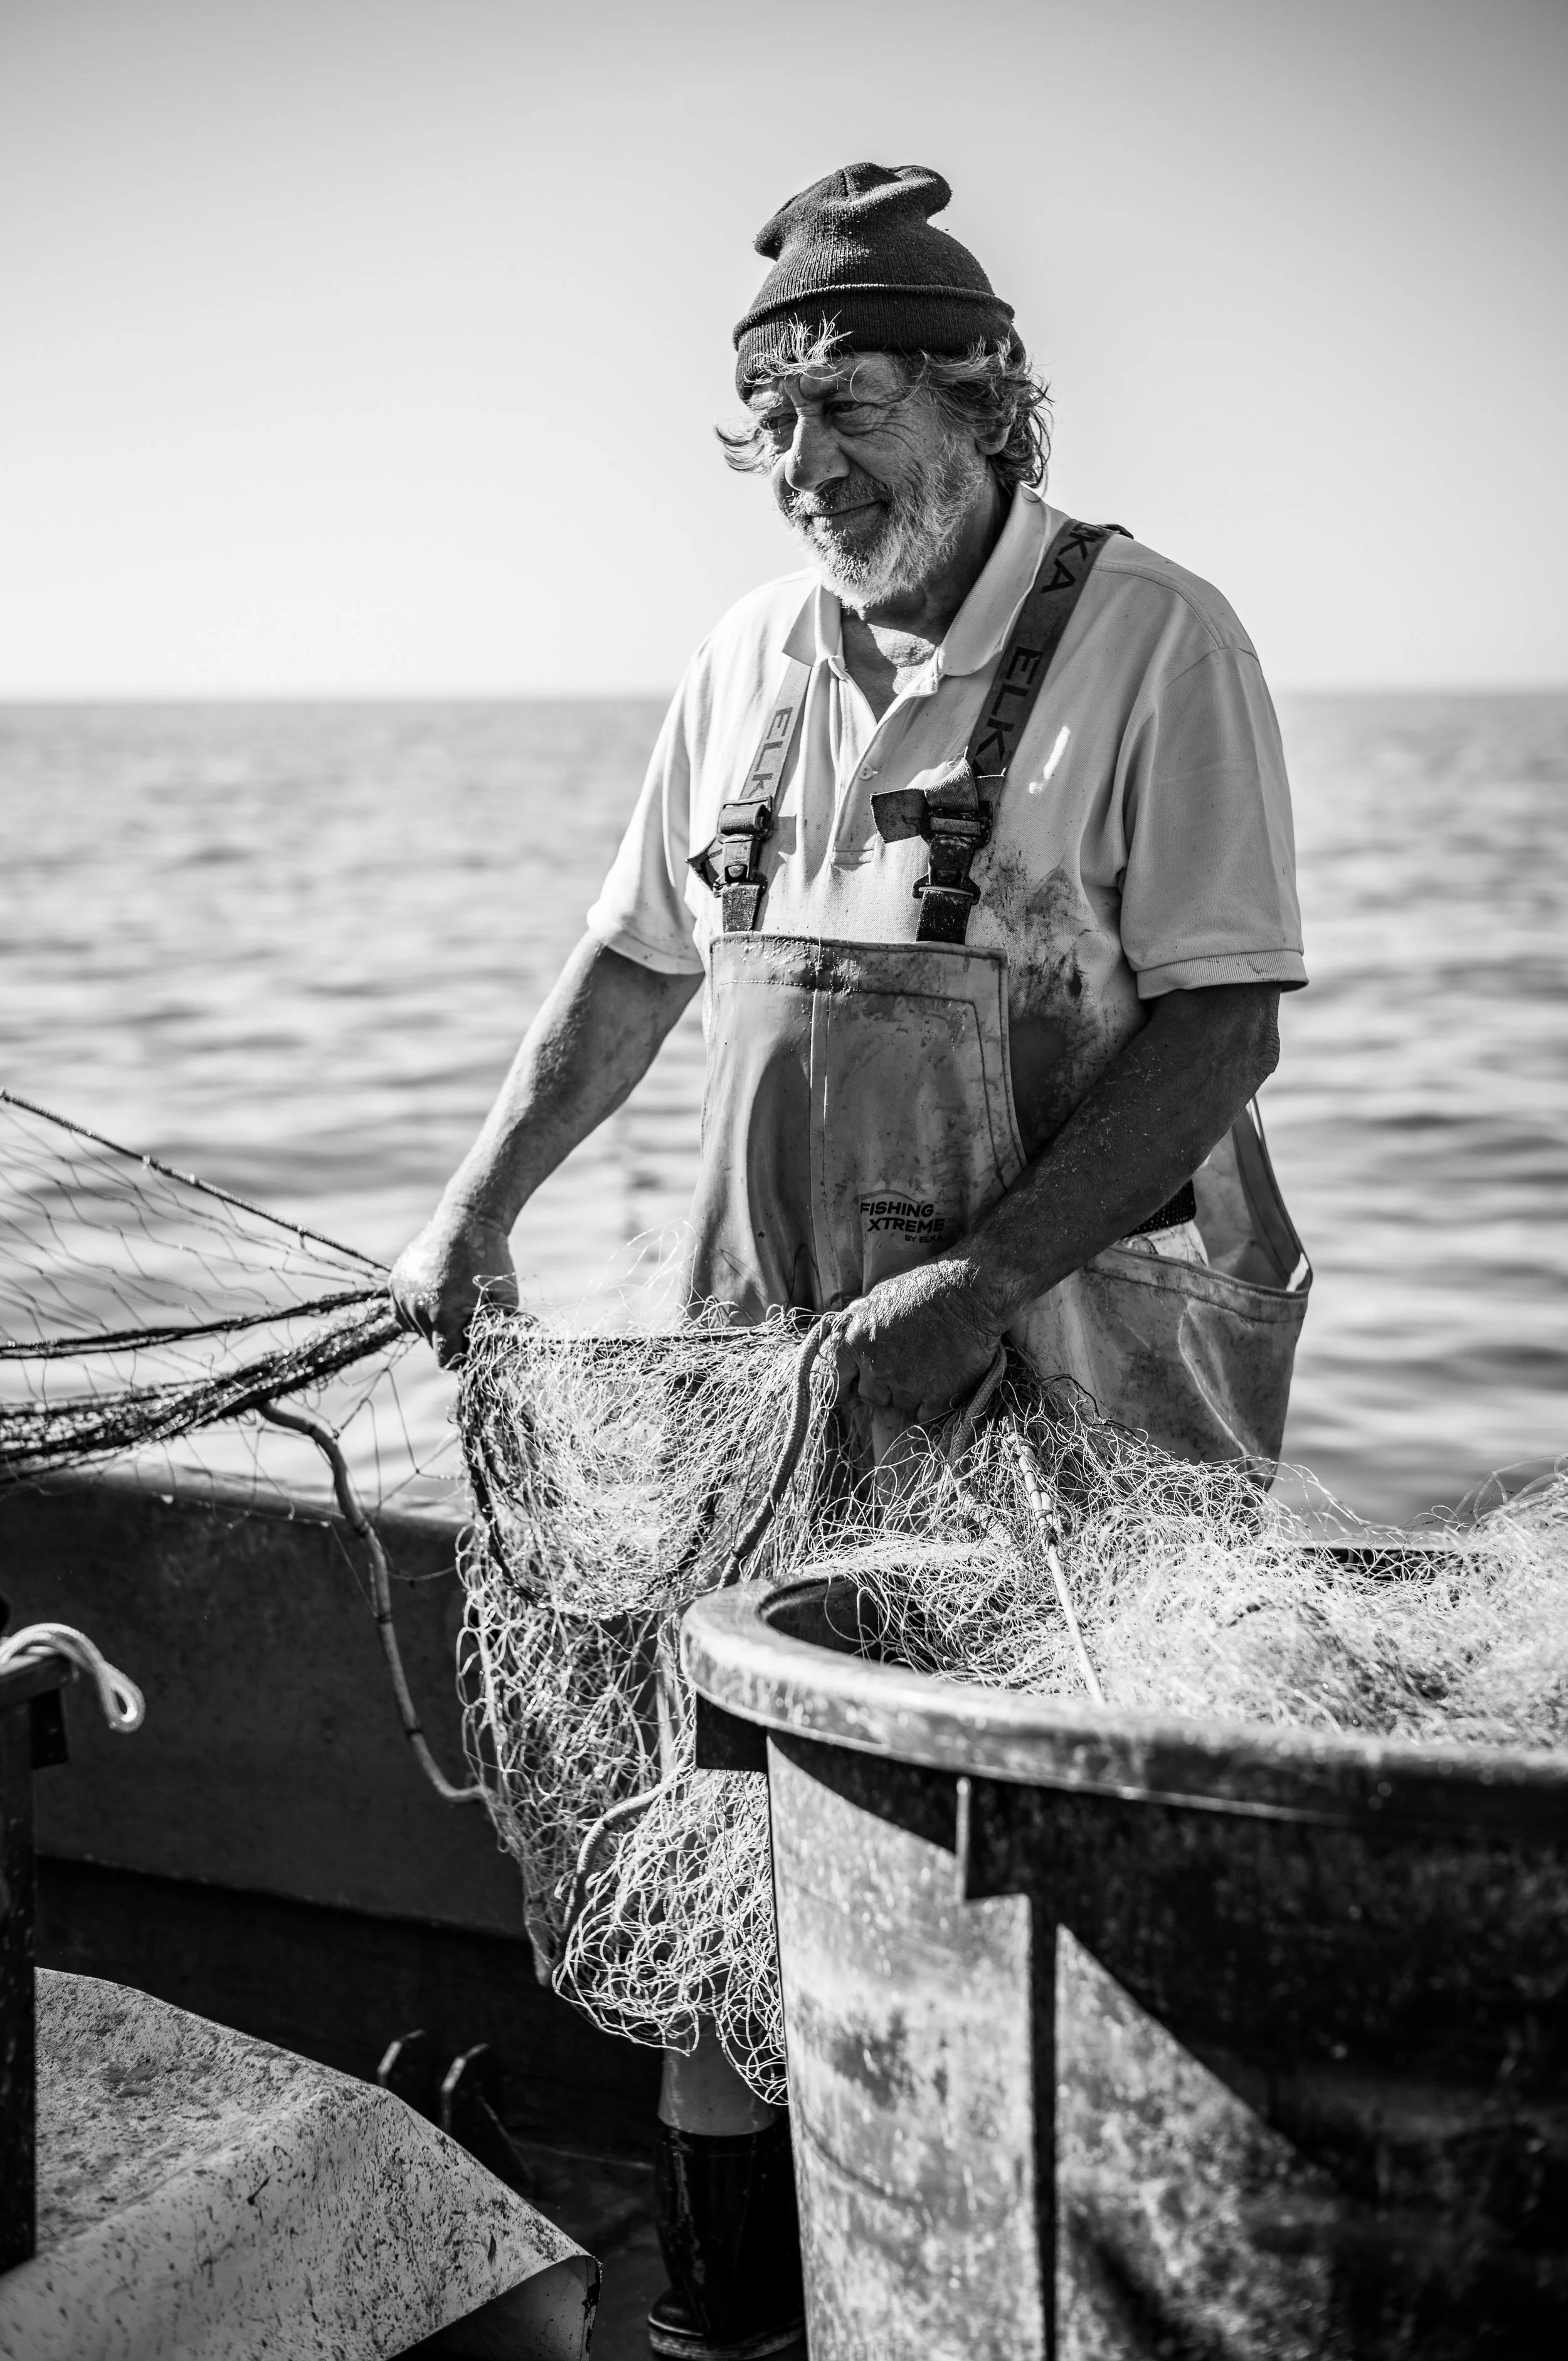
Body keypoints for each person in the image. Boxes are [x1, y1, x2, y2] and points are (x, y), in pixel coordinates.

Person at [393, 161, 1310, 2361]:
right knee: (722, 1884)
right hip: (778, 1394)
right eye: (771, 423)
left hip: (1079, 1399)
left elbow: (1222, 1020)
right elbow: (630, 965)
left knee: (1043, 1889)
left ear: (988, 403)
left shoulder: (1154, 638)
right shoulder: (744, 659)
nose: (805, 468)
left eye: (852, 409)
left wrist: (973, 1288)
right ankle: (734, 2326)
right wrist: (477, 1202)